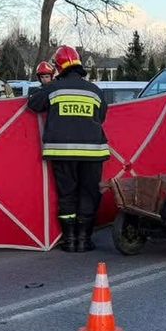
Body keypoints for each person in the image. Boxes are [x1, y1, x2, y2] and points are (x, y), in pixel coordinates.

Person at [27, 45, 109, 252]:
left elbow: (33, 104)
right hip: (93, 153)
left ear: (58, 67)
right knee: (89, 194)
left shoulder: (54, 89)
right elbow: (101, 117)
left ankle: (70, 240)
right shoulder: (95, 91)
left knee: (67, 195)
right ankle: (84, 240)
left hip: (61, 153)